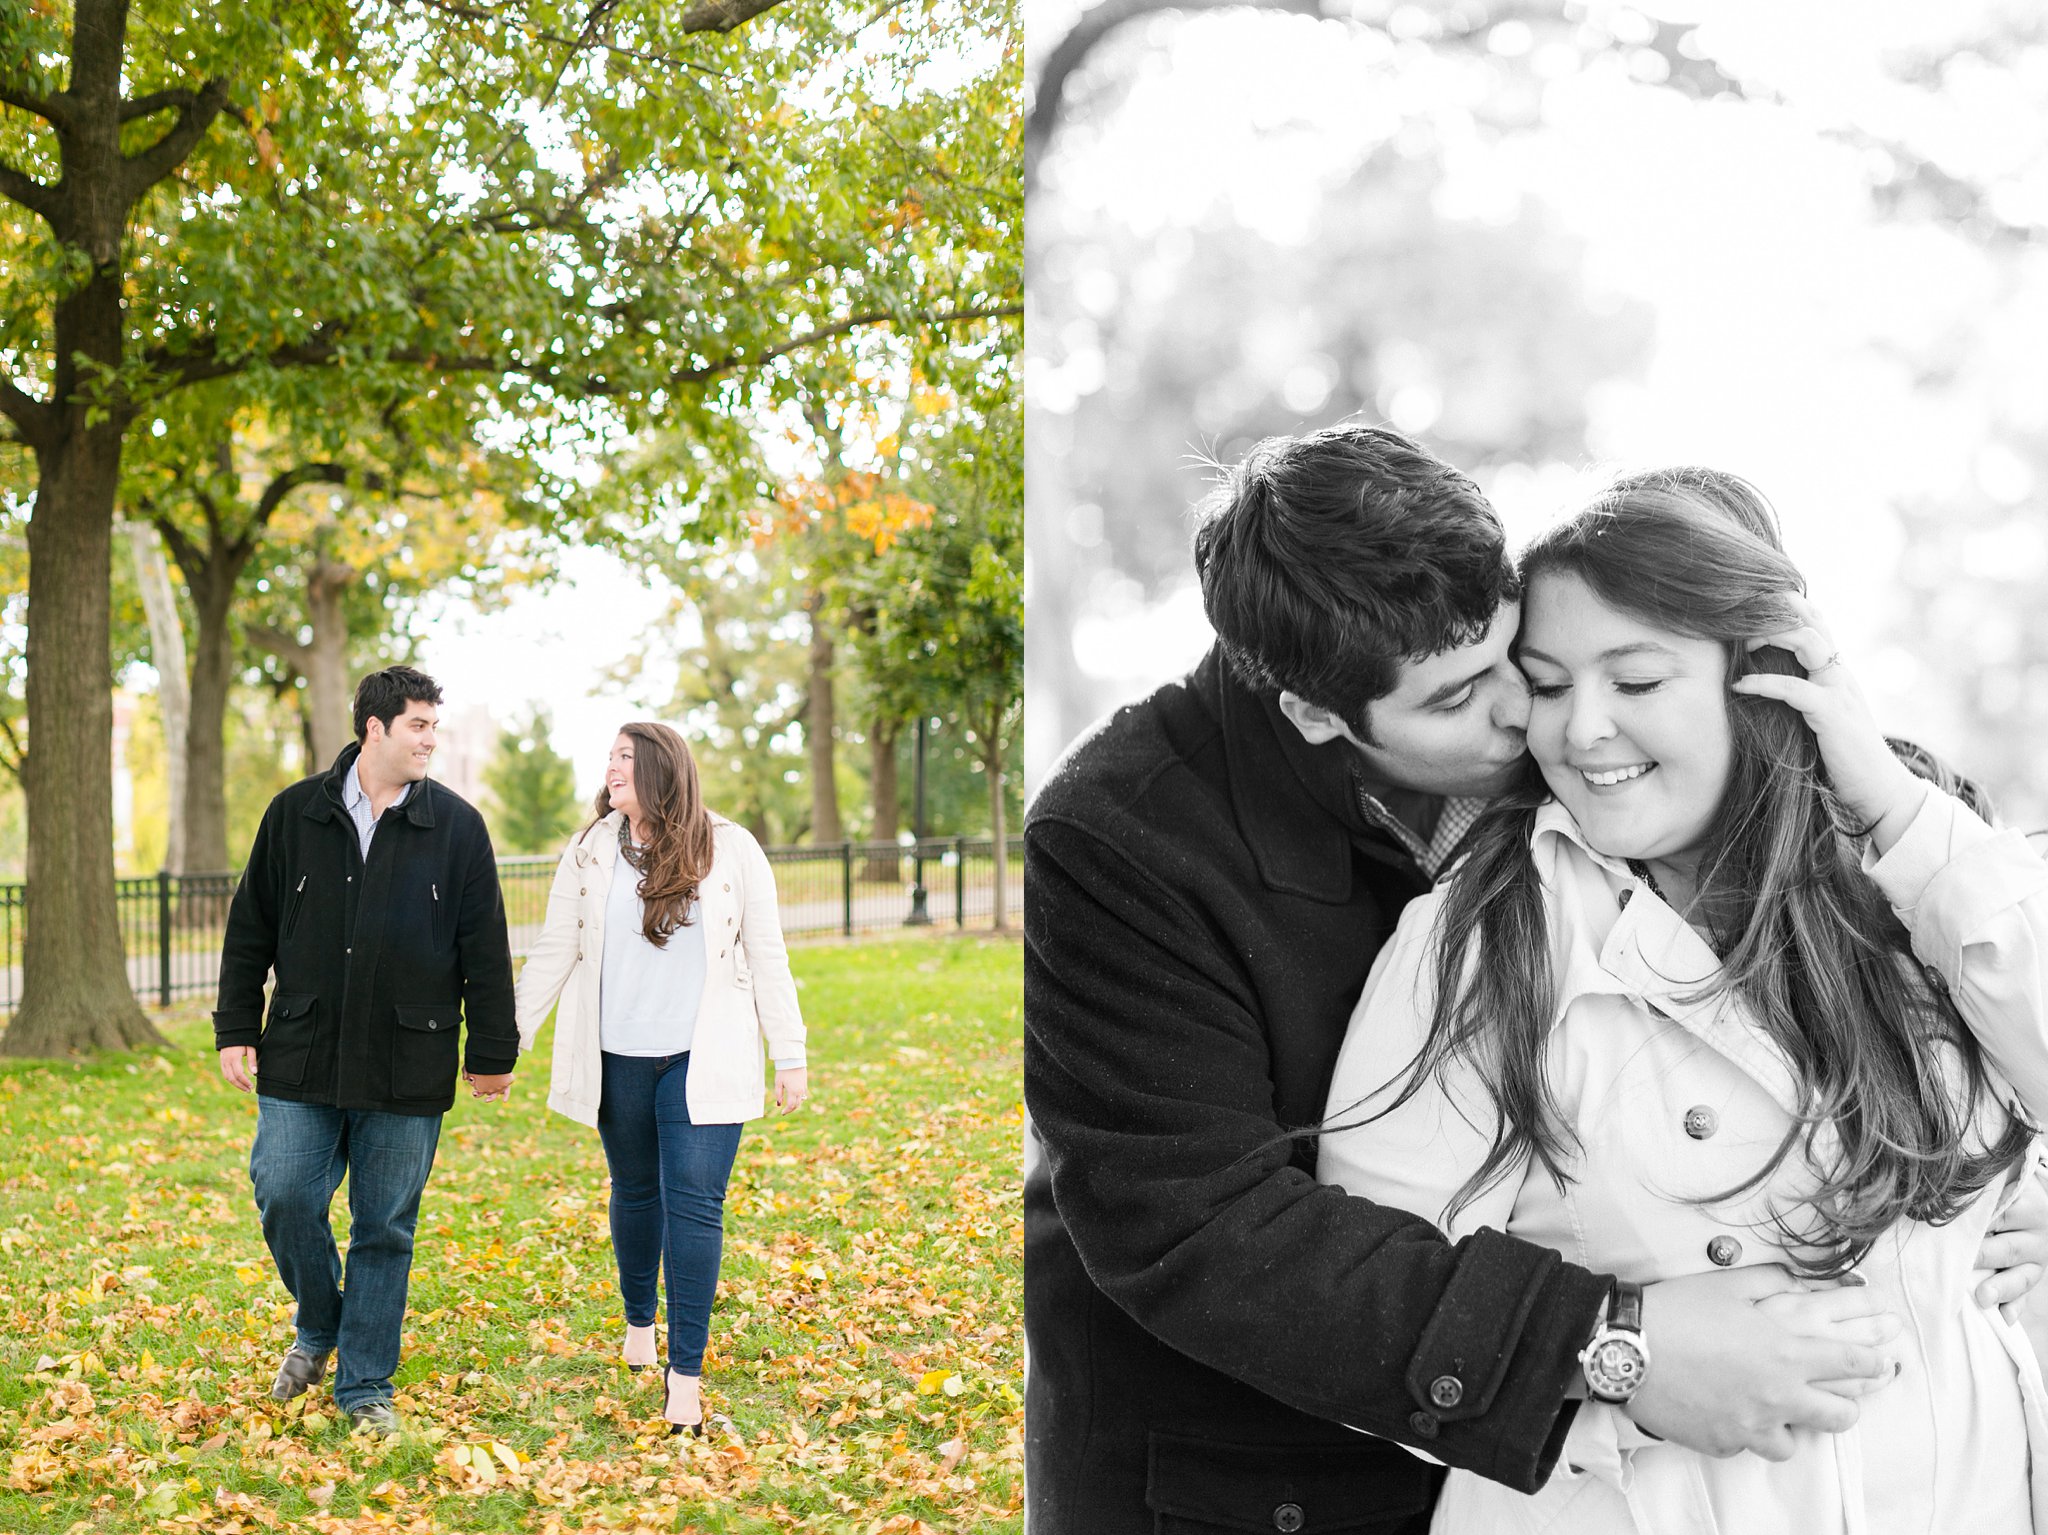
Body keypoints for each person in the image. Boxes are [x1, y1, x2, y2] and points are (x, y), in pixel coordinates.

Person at [1023, 425, 2048, 1533]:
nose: (1534, 718)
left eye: (1521, 655)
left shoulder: (1893, 835)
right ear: (1317, 714)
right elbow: (1202, 1227)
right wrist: (1612, 1346)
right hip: (1240, 1471)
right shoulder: (1131, 840)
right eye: (1473, 695)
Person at [1320, 467, 2048, 1532]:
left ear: (1759, 674)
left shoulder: (1919, 869)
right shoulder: (1484, 938)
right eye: (1550, 685)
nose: (1581, 731)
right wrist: (1622, 1364)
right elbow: (1365, 1314)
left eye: (1636, 679)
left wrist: (1893, 807)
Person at [214, 665, 519, 1437]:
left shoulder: (457, 826)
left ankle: (363, 1387)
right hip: (303, 1049)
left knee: (384, 1226)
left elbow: (485, 945)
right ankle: (321, 1327)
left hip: (406, 1058)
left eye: (434, 727)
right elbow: (250, 927)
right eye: (418, 725)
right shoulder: (293, 815)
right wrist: (234, 1026)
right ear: (374, 728)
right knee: (283, 1191)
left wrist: (492, 1048)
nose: (430, 740)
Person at [514, 721, 807, 1436]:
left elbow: (767, 952)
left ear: (660, 768)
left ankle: (687, 1377)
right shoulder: (588, 851)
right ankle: (639, 1320)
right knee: (637, 1191)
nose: (610, 767)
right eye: (607, 754)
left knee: (696, 1207)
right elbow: (556, 949)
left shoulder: (730, 847)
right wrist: (509, 1038)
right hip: (619, 1054)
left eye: (624, 755)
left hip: (703, 1055)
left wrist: (789, 1050)